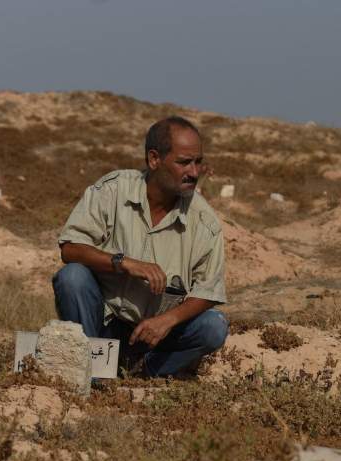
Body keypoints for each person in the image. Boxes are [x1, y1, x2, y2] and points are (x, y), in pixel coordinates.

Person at [52, 116, 228, 377]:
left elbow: (209, 291)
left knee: (213, 327)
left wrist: (166, 321)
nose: (194, 172)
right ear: (154, 159)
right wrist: (123, 263)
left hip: (156, 337)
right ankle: (90, 371)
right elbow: (70, 248)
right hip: (104, 322)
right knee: (72, 277)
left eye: (198, 162)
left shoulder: (205, 223)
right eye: (184, 162)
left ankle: (140, 374)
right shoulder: (113, 191)